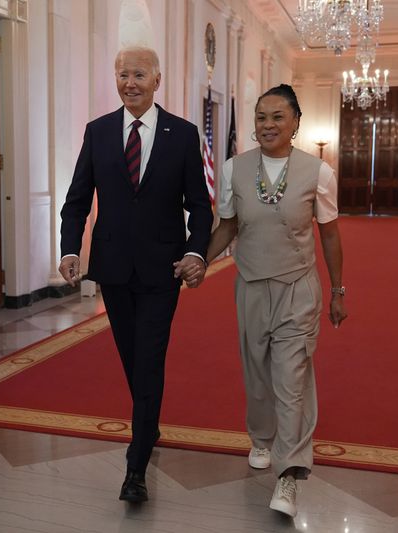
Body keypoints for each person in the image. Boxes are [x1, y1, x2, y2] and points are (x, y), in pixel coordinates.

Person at [59, 46, 213, 503]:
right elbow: (77, 199)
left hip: (163, 271)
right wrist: (70, 249)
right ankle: (151, 420)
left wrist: (196, 253)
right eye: (123, 74)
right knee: (133, 356)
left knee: (148, 357)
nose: (130, 83)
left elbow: (200, 207)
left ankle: (135, 467)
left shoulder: (182, 135)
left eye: (139, 75)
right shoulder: (99, 131)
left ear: (157, 80)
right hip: (113, 269)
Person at [204, 84, 347, 517]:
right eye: (261, 117)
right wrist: (198, 261)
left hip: (297, 289)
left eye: (277, 117)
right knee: (258, 374)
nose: (267, 125)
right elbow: (227, 227)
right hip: (249, 285)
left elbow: (330, 234)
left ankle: (289, 474)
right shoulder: (233, 169)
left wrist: (338, 291)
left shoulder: (317, 172)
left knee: (291, 379)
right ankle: (262, 438)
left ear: (296, 123)